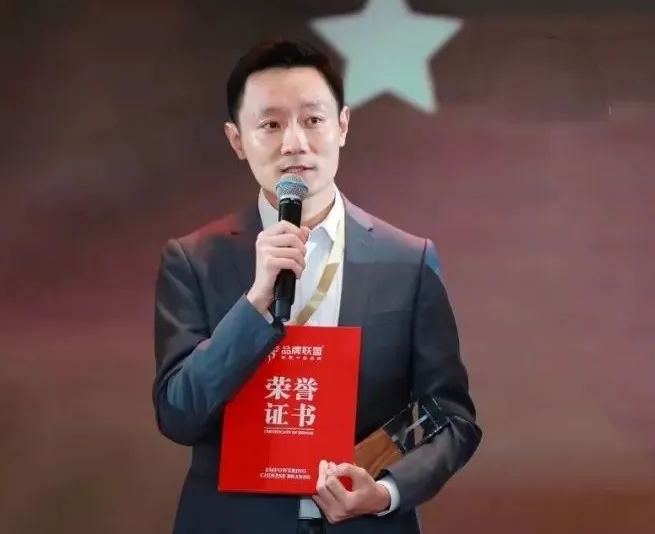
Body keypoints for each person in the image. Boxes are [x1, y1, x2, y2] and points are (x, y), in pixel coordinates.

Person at [153, 39, 482, 534]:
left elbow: (453, 417)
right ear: (236, 139)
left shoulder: (407, 261)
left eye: (312, 119)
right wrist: (254, 304)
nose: (294, 143)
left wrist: (386, 492)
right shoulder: (193, 259)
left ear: (343, 125)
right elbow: (179, 415)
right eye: (270, 125)